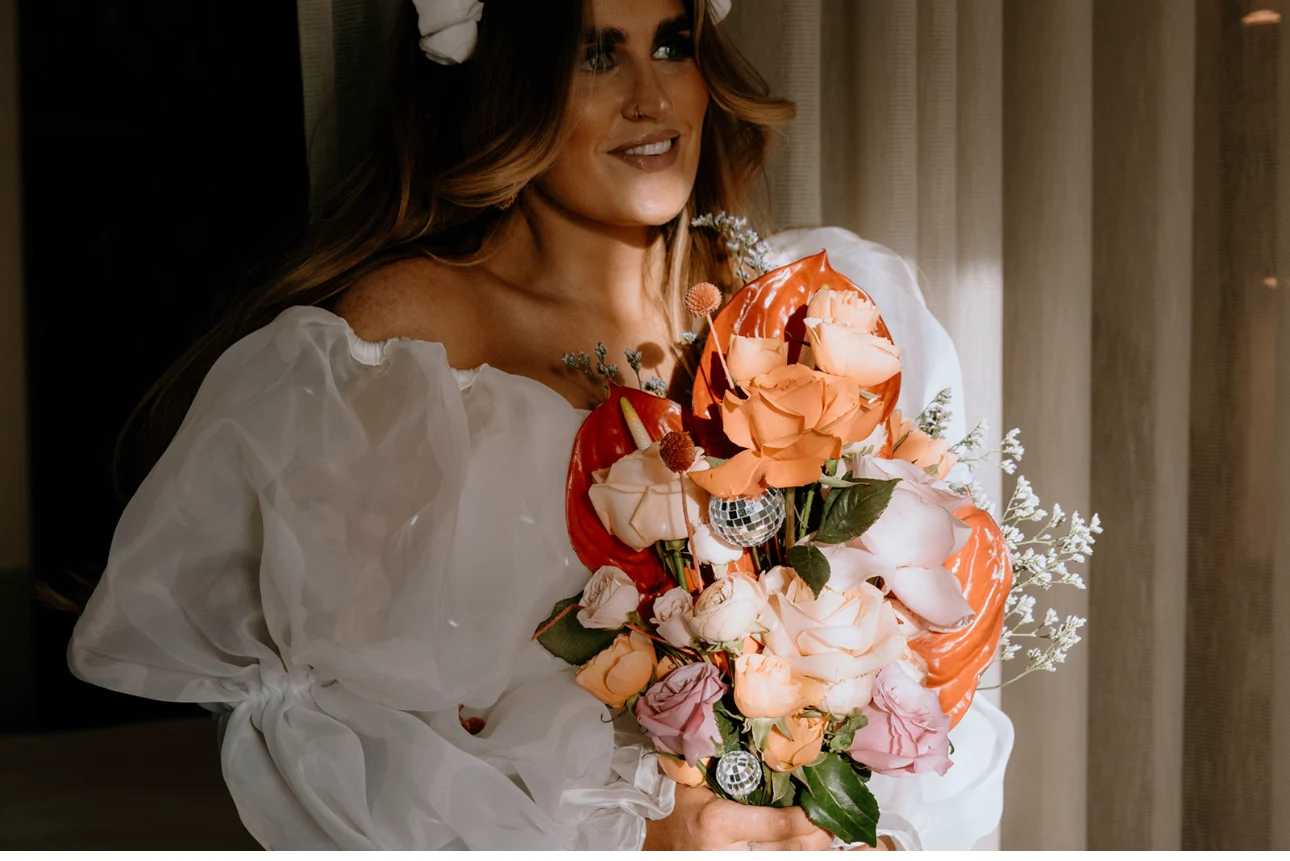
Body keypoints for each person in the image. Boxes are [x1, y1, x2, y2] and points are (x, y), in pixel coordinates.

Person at [68, 0, 1012, 850]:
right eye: (596, 55)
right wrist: (642, 830)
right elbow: (350, 742)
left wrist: (855, 822)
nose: (652, 97)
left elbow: (933, 677)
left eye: (672, 45)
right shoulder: (405, 341)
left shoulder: (820, 310)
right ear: (506, 85)